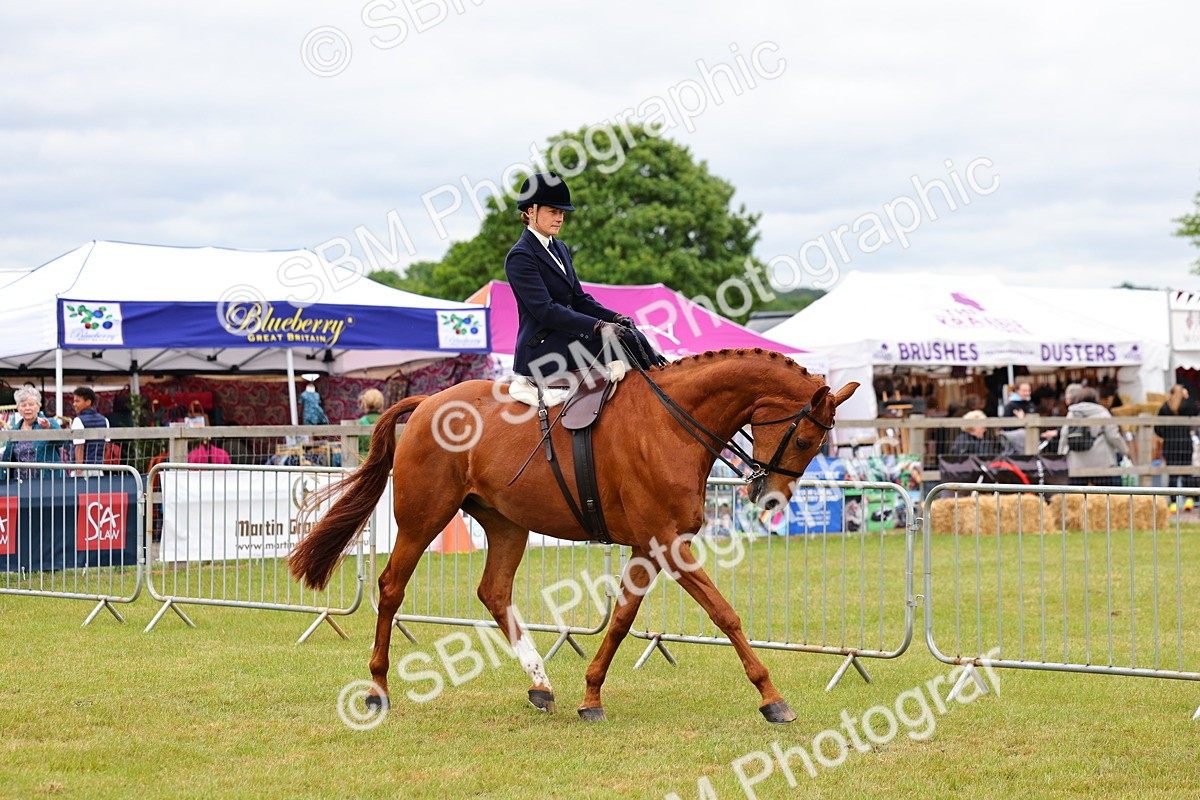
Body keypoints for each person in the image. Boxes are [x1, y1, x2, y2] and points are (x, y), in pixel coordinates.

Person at [504, 172, 663, 385]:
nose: (560, 218)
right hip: (544, 349)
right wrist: (598, 326)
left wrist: (614, 318)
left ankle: (664, 378)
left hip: (568, 338)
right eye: (553, 212)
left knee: (632, 333)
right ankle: (662, 388)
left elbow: (579, 299)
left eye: (561, 212)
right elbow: (545, 310)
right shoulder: (521, 255)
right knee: (628, 340)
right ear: (531, 211)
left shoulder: (559, 248)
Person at [1058, 384, 1126, 487]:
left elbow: (1064, 435)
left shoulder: (1072, 413)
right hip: (1101, 463)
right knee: (1105, 495)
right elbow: (1113, 436)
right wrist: (1124, 450)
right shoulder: (1103, 413)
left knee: (1076, 497)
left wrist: (1061, 455)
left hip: (1077, 463)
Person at [1153, 383, 1198, 513]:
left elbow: (1157, 427)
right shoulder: (1188, 405)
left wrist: (1165, 435)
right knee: (1187, 472)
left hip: (1170, 445)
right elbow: (1196, 410)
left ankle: (1173, 503)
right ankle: (1189, 499)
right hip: (1184, 443)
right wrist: (1188, 397)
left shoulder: (1165, 407)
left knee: (1172, 475)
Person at [2, 387, 63, 479]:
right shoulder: (14, 430)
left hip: (47, 482)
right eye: (23, 405)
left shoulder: (49, 422)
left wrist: (48, 428)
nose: (27, 408)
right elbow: (8, 459)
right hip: (19, 484)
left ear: (38, 406)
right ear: (18, 408)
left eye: (31, 404)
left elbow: (63, 442)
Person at [70, 386, 110, 470]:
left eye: (77, 401)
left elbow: (79, 447)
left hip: (83, 468)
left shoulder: (78, 420)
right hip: (99, 467)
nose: (74, 404)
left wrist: (78, 471)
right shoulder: (104, 420)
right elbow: (107, 447)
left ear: (88, 402)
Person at [357, 388, 385, 462]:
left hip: (362, 465)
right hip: (382, 464)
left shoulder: (358, 424)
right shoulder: (387, 422)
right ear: (381, 405)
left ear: (365, 404)